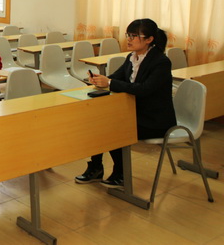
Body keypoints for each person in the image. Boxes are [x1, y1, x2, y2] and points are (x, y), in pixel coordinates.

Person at [75, 18, 176, 188]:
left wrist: (109, 83)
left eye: (134, 36)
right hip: (135, 113)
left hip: (155, 120)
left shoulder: (161, 62)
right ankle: (96, 167)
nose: (128, 39)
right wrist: (100, 80)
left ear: (149, 39)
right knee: (98, 123)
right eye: (128, 35)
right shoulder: (132, 57)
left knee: (113, 129)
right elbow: (117, 78)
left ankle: (121, 173)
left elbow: (144, 89)